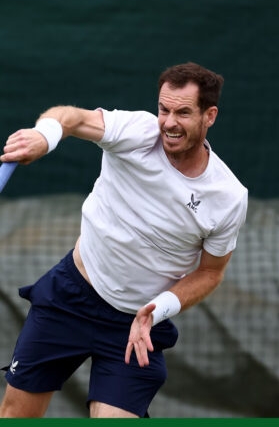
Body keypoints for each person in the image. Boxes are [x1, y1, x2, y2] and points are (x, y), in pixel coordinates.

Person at [0, 62, 248, 418]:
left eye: (183, 112)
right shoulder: (135, 131)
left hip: (135, 327)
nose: (169, 123)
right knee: (16, 415)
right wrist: (46, 136)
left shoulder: (228, 196)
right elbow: (69, 117)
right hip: (70, 297)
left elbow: (211, 272)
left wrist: (157, 310)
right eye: (164, 110)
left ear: (210, 115)